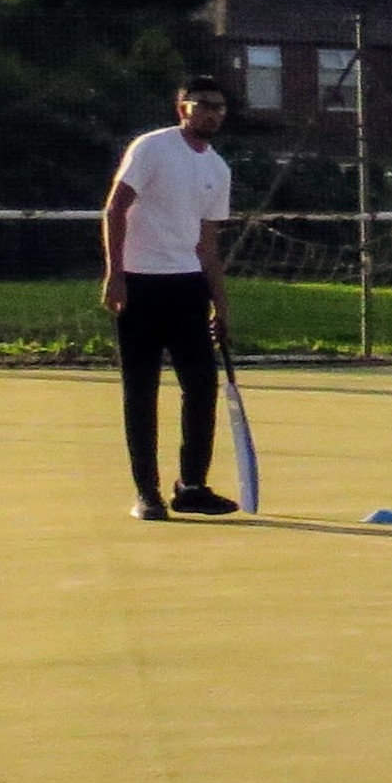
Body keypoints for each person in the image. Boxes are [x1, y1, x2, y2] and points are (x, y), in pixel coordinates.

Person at [100, 80, 239, 521]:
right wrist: (115, 274)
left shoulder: (217, 169)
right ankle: (148, 493)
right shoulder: (152, 148)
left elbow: (207, 242)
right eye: (205, 106)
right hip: (140, 285)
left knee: (201, 386)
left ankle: (192, 485)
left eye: (220, 108)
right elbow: (115, 209)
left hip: (187, 288)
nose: (213, 114)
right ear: (183, 107)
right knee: (140, 391)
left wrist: (220, 302)